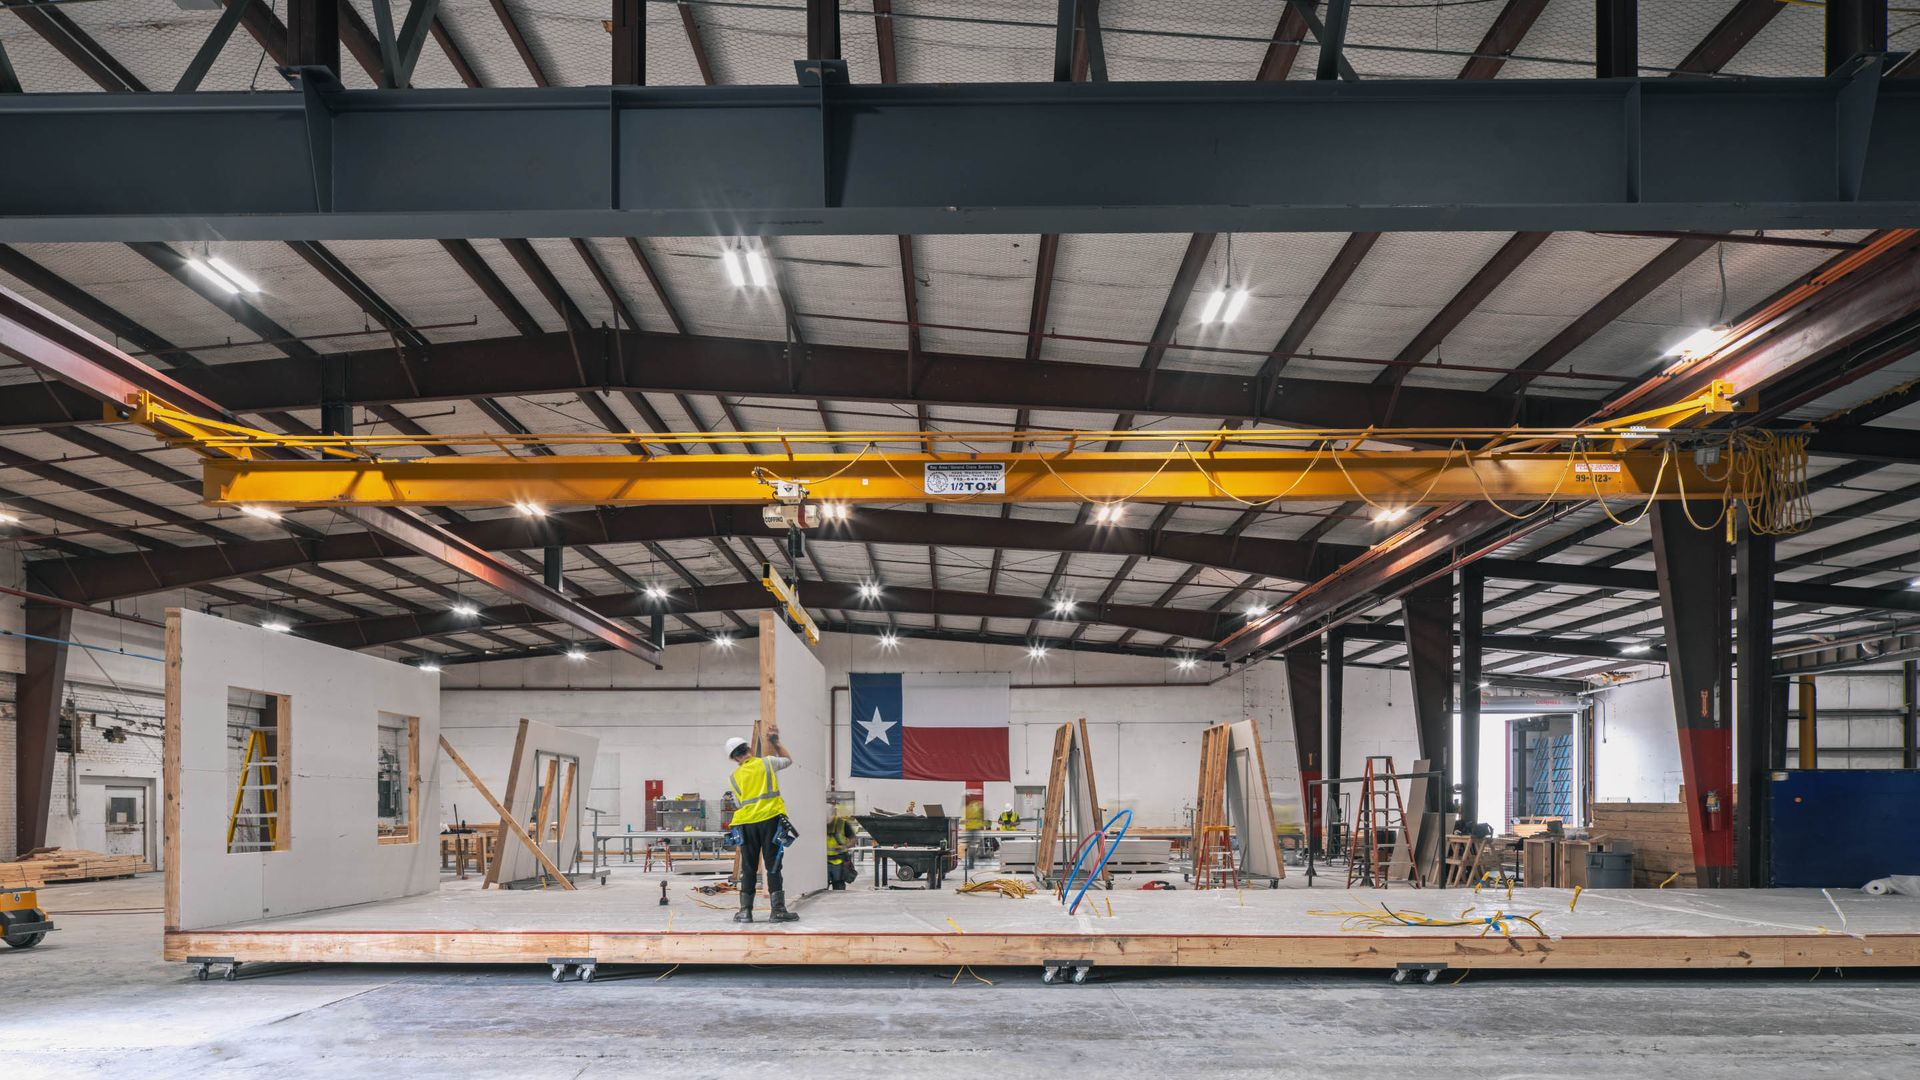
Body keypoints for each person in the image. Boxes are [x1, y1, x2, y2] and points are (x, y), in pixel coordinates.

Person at [725, 732, 799, 923]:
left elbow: (739, 803)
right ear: (749, 749)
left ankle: (745, 912)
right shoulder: (767, 763)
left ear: (734, 758)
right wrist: (776, 743)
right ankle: (778, 911)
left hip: (745, 824)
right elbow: (788, 760)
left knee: (748, 868)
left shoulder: (734, 777)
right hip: (770, 820)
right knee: (773, 865)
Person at [826, 815, 857, 890]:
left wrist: (844, 847)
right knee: (819, 892)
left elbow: (853, 839)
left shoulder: (842, 823)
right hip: (821, 862)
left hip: (839, 862)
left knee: (838, 888)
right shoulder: (815, 822)